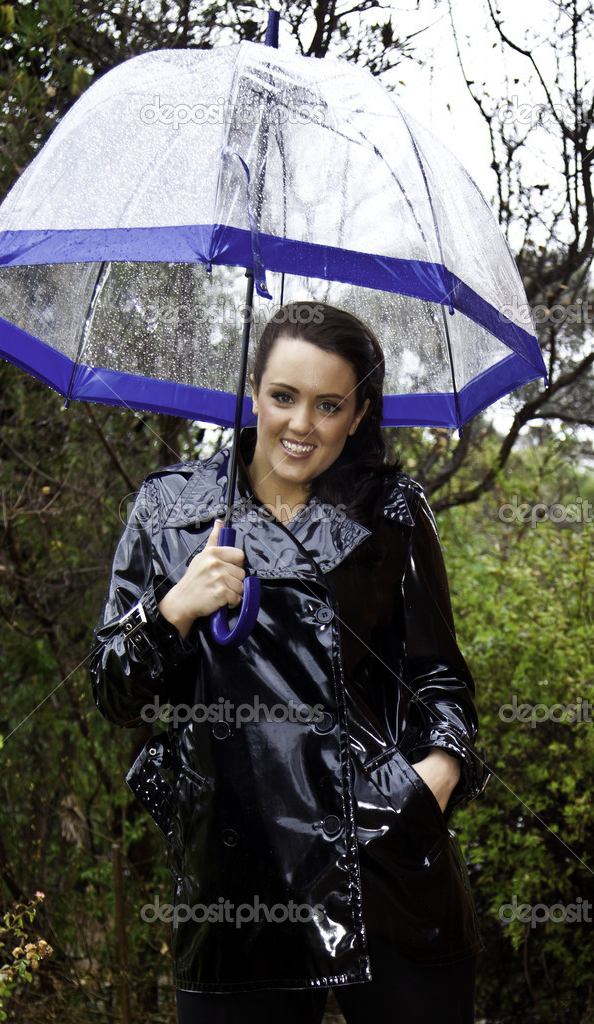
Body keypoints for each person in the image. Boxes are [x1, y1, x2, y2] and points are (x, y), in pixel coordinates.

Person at [89, 301, 490, 1024]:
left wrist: (429, 782)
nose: (301, 425)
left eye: (328, 404)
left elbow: (439, 678)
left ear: (359, 413)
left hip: (385, 857)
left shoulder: (391, 510)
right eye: (283, 396)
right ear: (253, 391)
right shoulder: (169, 507)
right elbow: (113, 688)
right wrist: (175, 607)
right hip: (234, 881)